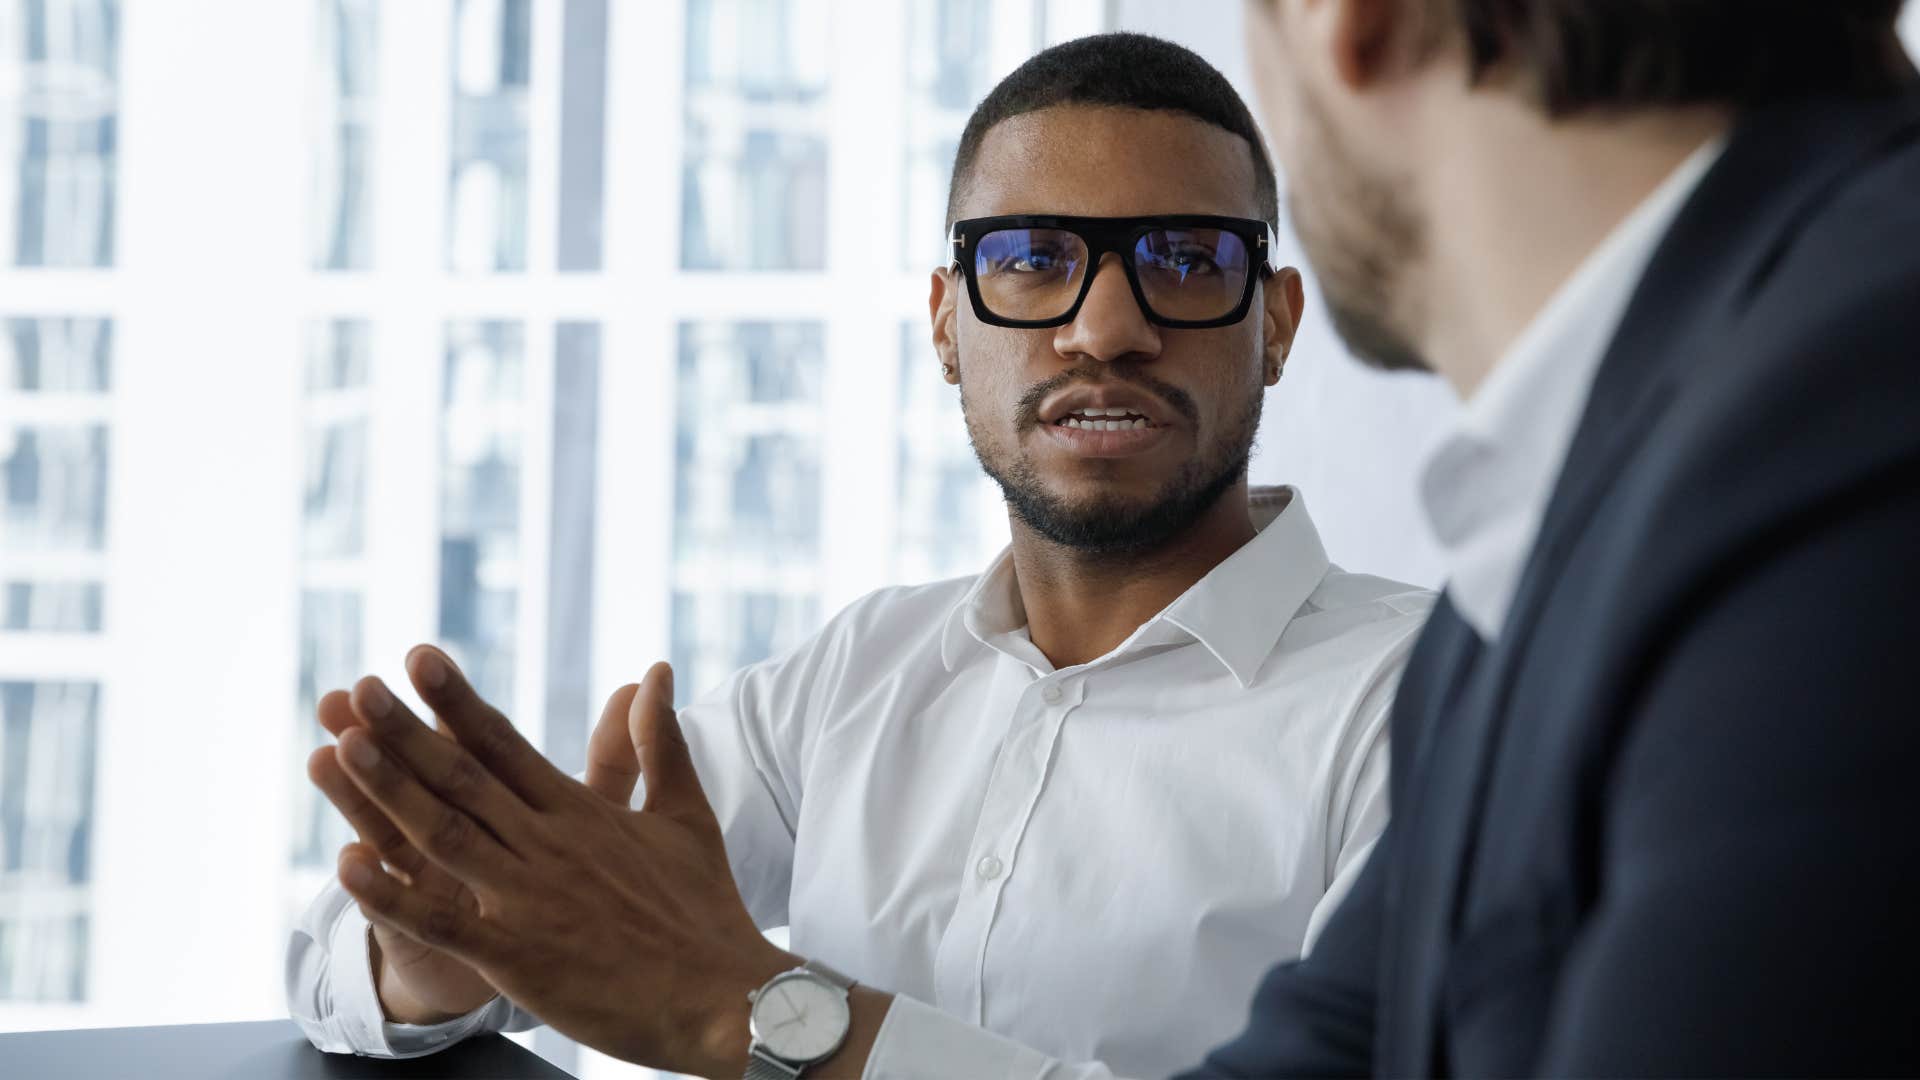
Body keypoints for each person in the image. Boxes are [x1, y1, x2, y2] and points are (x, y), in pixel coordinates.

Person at [286, 34, 1434, 1077]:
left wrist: (747, 1009)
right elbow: (334, 976)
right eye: (1032, 259)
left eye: (1185, 261)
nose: (1105, 326)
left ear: (1274, 323)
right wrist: (447, 950)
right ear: (947, 324)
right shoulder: (858, 675)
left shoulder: (1427, 706)